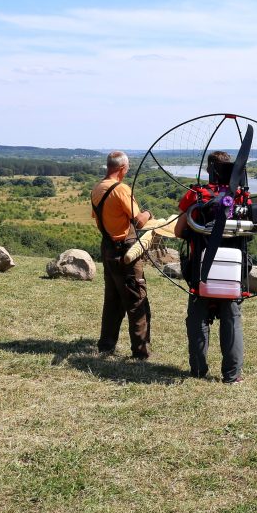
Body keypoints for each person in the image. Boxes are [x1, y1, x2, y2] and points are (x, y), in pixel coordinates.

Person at [174, 151, 245, 383]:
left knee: (197, 318)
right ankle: (232, 376)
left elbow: (177, 231)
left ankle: (197, 370)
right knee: (231, 318)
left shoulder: (196, 195)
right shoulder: (241, 197)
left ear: (209, 170)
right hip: (232, 270)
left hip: (200, 270)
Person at [91, 151, 153, 359]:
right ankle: (140, 351)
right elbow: (138, 221)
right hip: (125, 249)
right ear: (122, 169)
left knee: (113, 299)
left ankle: (106, 345)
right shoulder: (121, 189)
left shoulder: (98, 188)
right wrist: (148, 213)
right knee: (136, 299)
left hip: (107, 248)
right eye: (127, 168)